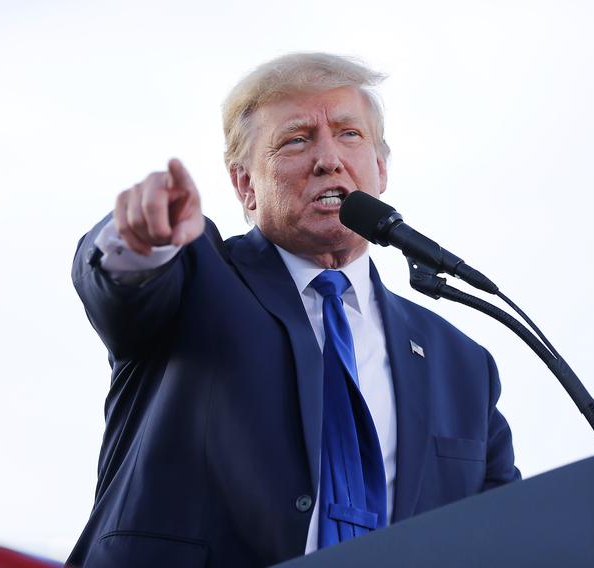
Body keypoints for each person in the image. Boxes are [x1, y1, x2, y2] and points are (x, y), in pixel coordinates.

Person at [68, 52, 520, 568]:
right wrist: (140, 242)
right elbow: (120, 287)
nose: (329, 159)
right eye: (297, 139)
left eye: (350, 134)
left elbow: (507, 532)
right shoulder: (197, 273)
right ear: (245, 185)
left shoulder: (461, 363)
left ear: (382, 169)